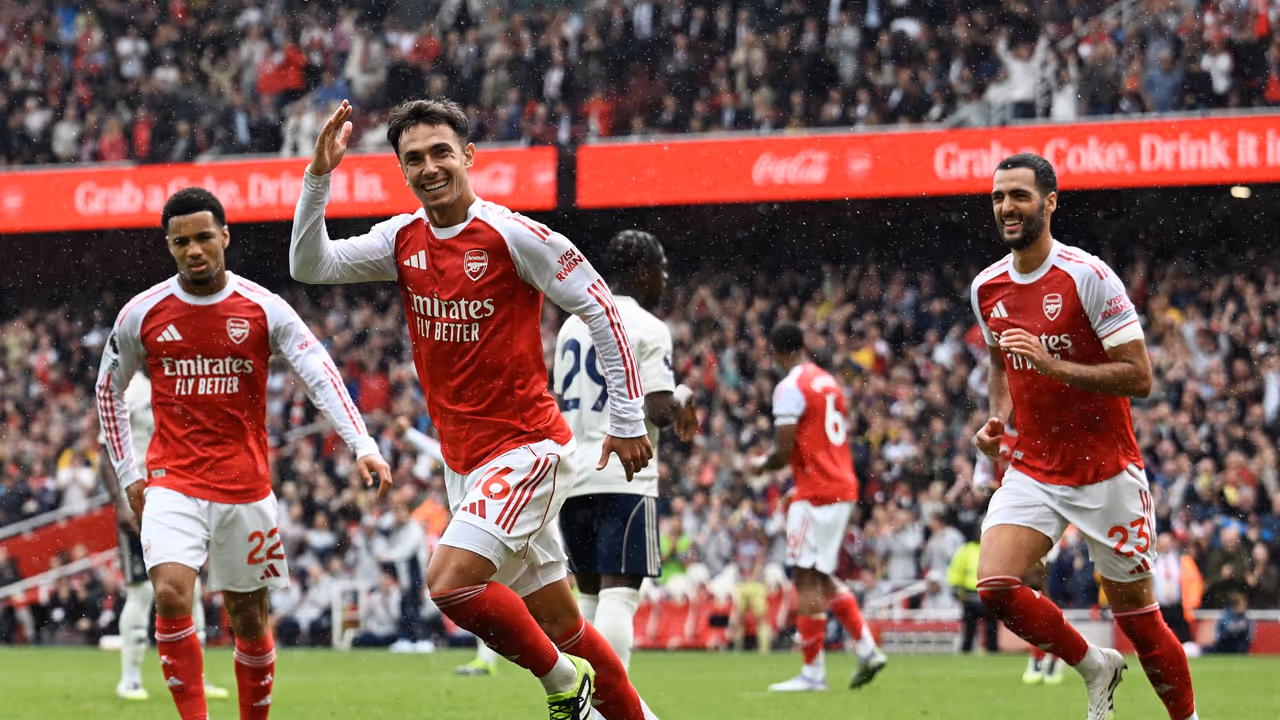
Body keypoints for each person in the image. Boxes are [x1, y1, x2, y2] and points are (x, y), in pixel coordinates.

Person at [291, 97, 657, 720]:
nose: (430, 167)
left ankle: (565, 685)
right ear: (402, 171)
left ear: (467, 157)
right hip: (465, 464)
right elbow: (310, 264)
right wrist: (318, 177)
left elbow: (600, 305)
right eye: (414, 159)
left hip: (526, 449)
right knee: (566, 624)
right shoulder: (401, 240)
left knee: (450, 583)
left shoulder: (514, 235)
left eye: (441, 152)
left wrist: (627, 421)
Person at [96, 187, 391, 720]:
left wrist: (361, 444)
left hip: (245, 486)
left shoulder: (263, 308)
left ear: (224, 236)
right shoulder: (141, 314)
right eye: (181, 241)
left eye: (204, 237)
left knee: (250, 619)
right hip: (172, 481)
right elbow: (107, 390)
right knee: (169, 593)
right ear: (169, 245)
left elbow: (319, 373)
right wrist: (129, 473)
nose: (194, 250)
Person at [971, 153, 1198, 720]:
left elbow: (1139, 376)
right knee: (996, 586)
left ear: (1050, 202)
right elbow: (1002, 362)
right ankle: (1094, 666)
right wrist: (999, 417)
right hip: (1035, 465)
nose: (1007, 207)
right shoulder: (987, 287)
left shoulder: (1088, 276)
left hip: (1106, 470)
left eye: (1019, 195)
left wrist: (1053, 365)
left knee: (1141, 625)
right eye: (999, 197)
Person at [553, 229, 697, 670]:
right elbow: (658, 410)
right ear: (642, 272)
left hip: (574, 476)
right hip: (624, 476)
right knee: (621, 594)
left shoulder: (572, 324)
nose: (665, 282)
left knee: (591, 598)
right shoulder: (649, 327)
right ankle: (612, 706)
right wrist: (686, 395)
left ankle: (585, 701)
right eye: (662, 272)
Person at [749, 322, 886, 692]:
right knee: (822, 575)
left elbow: (781, 452)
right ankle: (867, 648)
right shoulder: (827, 381)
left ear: (778, 352)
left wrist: (760, 464)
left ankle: (813, 674)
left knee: (806, 576)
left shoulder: (789, 387)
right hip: (841, 485)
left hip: (815, 491)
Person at [97, 370, 230, 701]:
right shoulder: (129, 390)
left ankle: (196, 677)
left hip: (179, 497)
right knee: (142, 591)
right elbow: (104, 455)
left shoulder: (181, 384)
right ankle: (129, 678)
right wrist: (121, 503)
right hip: (140, 502)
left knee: (192, 587)